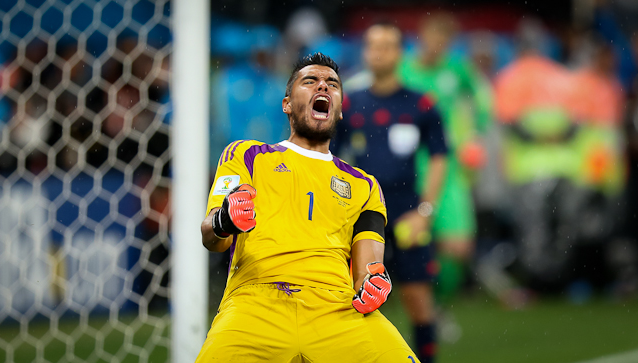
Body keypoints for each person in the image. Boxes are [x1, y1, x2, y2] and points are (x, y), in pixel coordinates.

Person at [197, 53, 420, 363]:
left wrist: (372, 284)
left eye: (332, 84)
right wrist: (224, 220)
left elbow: (368, 267)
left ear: (340, 110)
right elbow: (211, 236)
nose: (323, 88)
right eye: (310, 81)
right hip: (255, 302)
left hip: (337, 310)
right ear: (287, 103)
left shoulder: (365, 185)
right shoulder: (246, 155)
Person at [334, 23, 448, 363]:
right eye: (371, 46)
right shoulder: (350, 104)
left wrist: (424, 211)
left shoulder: (421, 104)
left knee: (417, 299)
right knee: (355, 298)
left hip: (407, 210)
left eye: (386, 46)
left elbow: (440, 157)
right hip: (362, 213)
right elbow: (332, 160)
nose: (378, 52)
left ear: (400, 53)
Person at [397, 13, 492, 310]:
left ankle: (438, 305)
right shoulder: (402, 71)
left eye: (444, 40)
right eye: (433, 37)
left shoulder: (457, 70)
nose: (437, 45)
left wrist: (475, 134)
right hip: (409, 169)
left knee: (458, 247)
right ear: (421, 37)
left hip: (448, 170)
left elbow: (483, 99)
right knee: (409, 242)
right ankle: (416, 307)